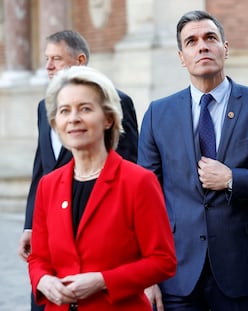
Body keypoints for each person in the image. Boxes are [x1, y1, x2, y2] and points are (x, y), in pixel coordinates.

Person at [138, 10, 248, 311]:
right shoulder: (157, 114)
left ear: (225, 48)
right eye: (191, 41)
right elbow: (144, 201)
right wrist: (146, 274)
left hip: (243, 268)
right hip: (177, 272)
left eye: (210, 38)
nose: (202, 46)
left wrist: (232, 179)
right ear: (181, 56)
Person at [28, 65, 176, 310]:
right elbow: (39, 258)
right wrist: (42, 280)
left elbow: (163, 261)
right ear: (56, 122)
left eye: (85, 108)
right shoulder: (48, 185)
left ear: (108, 118)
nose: (73, 118)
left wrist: (102, 281)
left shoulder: (138, 181)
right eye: (65, 111)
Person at [17, 30, 139, 311]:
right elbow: (41, 170)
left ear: (80, 60)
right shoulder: (43, 108)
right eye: (46, 59)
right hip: (51, 233)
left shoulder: (118, 102)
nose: (47, 66)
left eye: (55, 59)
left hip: (98, 235)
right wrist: (29, 225)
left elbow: (128, 164)